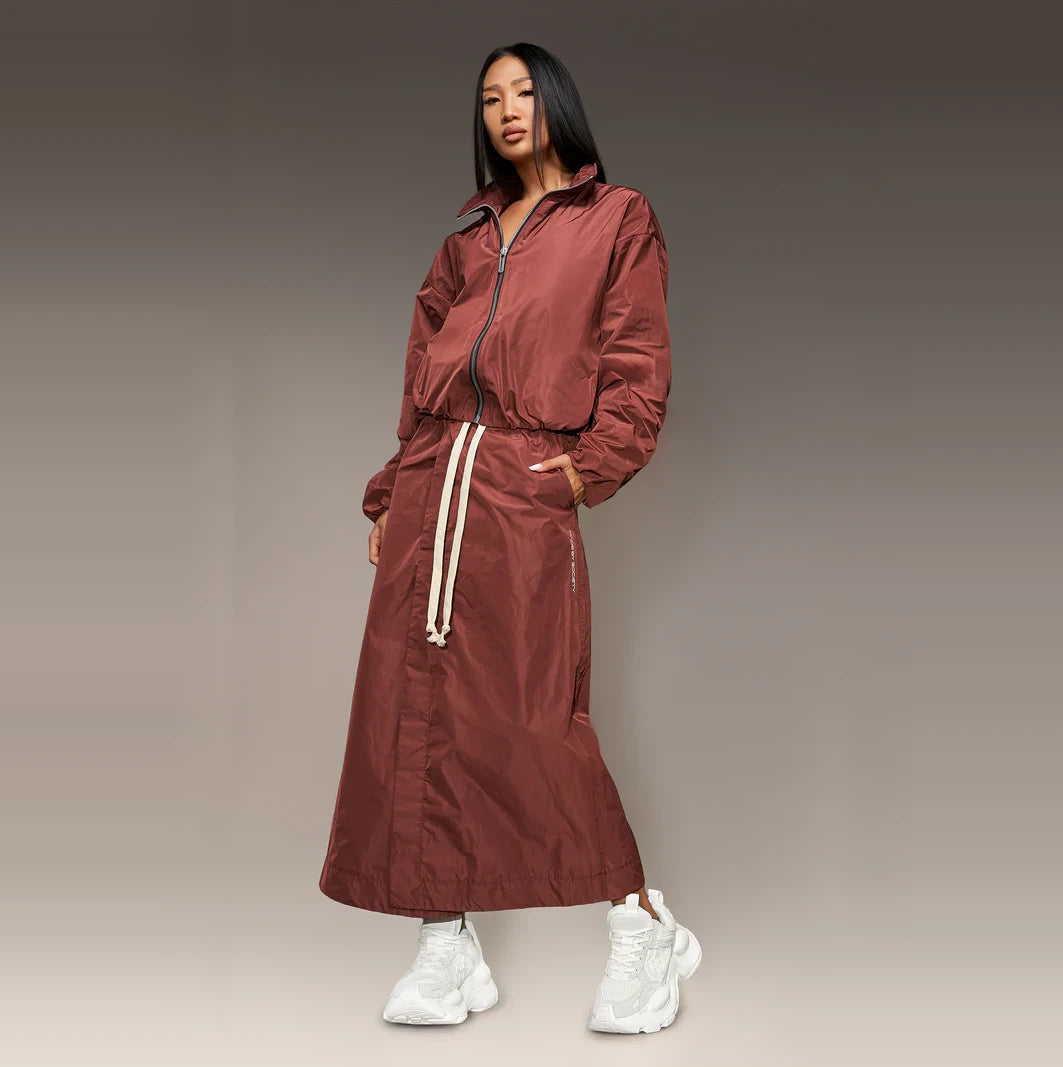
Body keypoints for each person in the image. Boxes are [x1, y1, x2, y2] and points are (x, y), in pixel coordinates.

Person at [318, 42, 701, 1034]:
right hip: (430, 491)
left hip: (518, 492)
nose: (507, 109)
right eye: (490, 98)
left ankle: (642, 921)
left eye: (523, 91)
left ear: (556, 101)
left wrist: (580, 471)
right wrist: (387, 496)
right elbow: (420, 385)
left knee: (534, 719)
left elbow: (636, 366)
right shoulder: (463, 245)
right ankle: (444, 942)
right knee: (412, 714)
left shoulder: (616, 219)